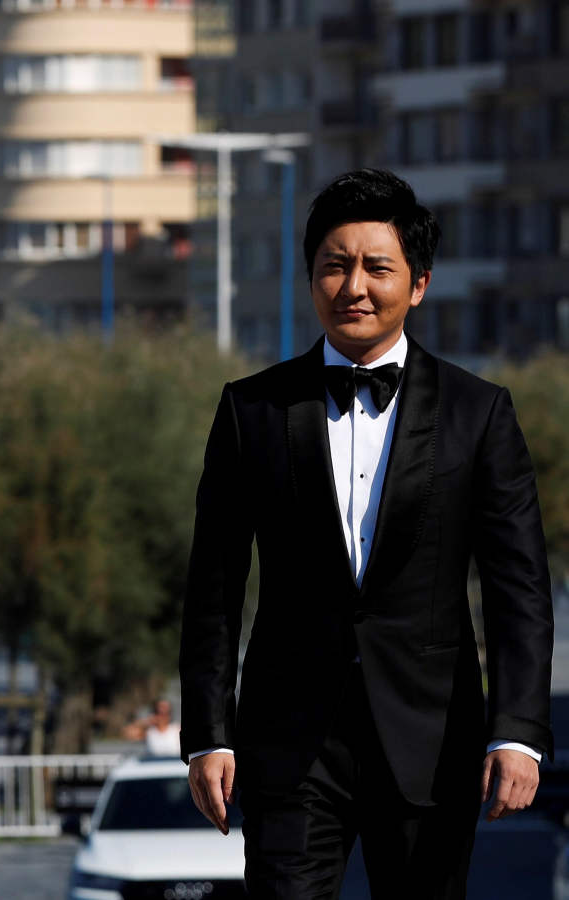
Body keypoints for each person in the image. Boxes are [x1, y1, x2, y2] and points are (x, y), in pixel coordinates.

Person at [179, 169, 553, 899]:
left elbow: (520, 588)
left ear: (418, 284)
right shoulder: (250, 411)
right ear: (311, 278)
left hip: (431, 738)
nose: (354, 286)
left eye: (377, 268)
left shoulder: (478, 412)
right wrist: (208, 734)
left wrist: (518, 731)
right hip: (288, 743)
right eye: (334, 266)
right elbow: (213, 586)